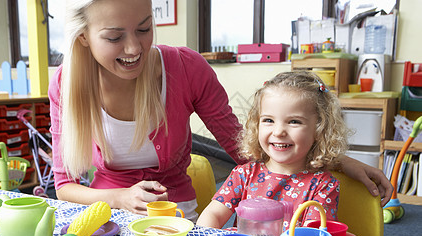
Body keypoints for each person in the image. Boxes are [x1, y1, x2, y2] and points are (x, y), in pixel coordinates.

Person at [49, 0, 392, 224]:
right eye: (113, 37)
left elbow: (243, 147)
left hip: (175, 215)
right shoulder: (66, 83)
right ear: (83, 38)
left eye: (144, 28)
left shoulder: (186, 68)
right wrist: (120, 197)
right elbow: (64, 186)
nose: (134, 48)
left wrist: (334, 158)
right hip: (104, 213)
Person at [197, 72, 360, 236]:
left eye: (294, 121)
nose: (279, 131)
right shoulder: (244, 174)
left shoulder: (323, 184)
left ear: (319, 130)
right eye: (268, 120)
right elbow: (213, 214)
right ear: (257, 125)